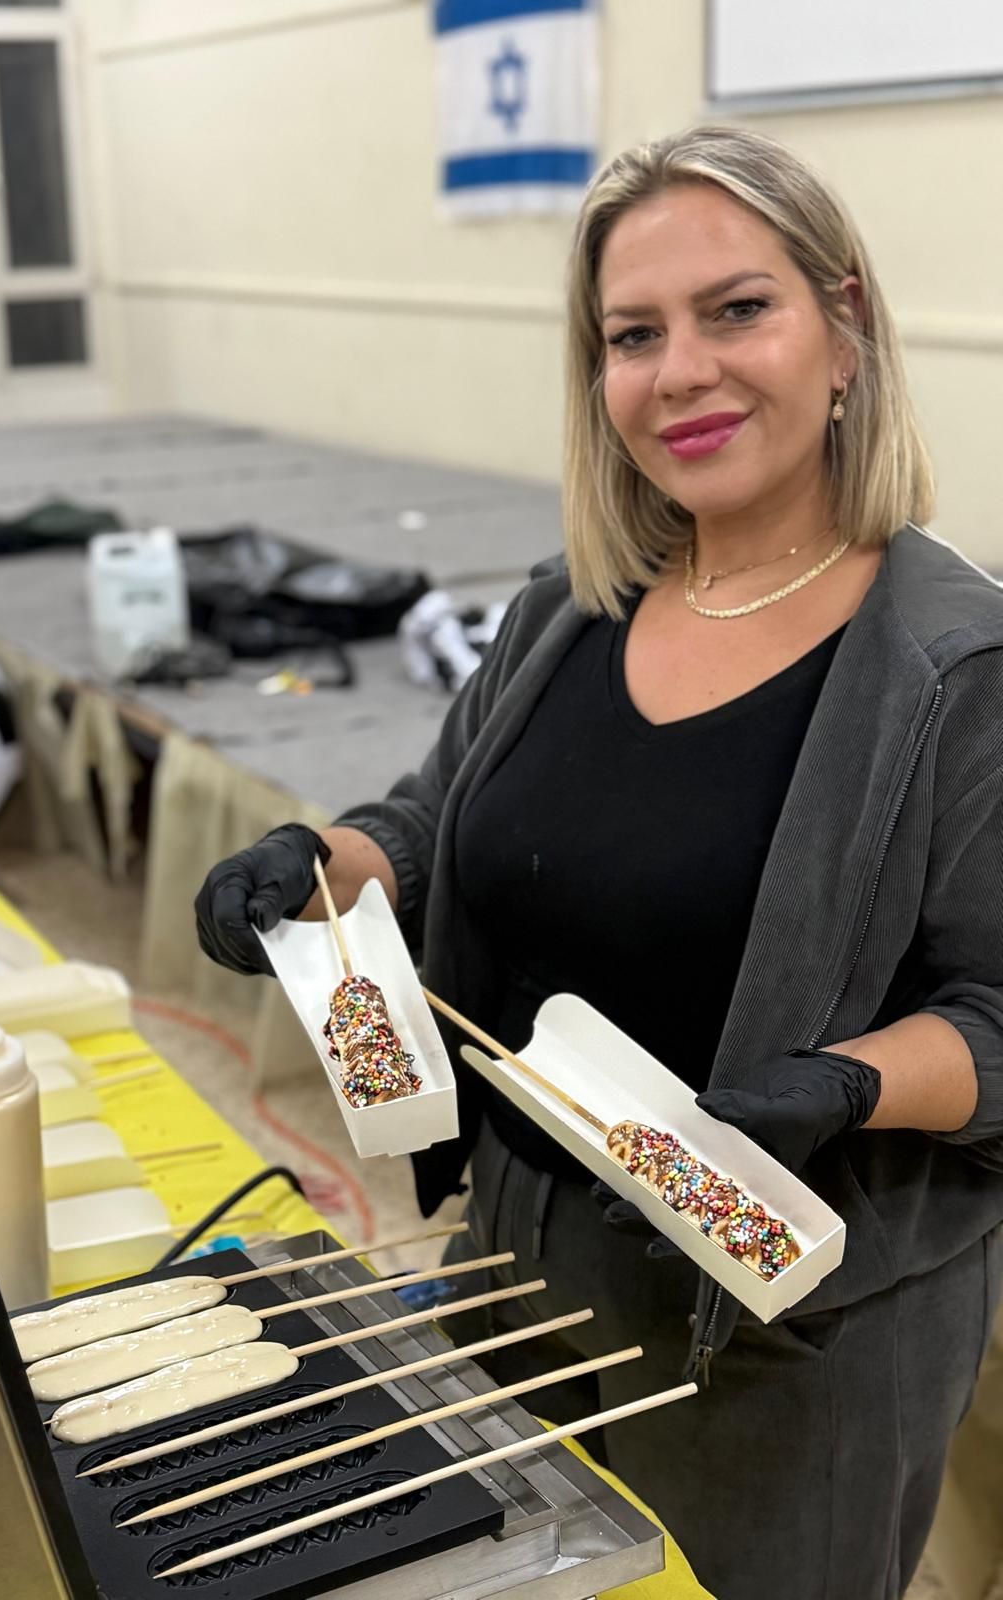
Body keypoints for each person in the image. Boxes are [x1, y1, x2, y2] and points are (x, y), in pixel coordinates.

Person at [193, 126, 1003, 1600]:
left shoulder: (954, 669)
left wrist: (844, 1084)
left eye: (737, 310)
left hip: (779, 1338)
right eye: (634, 335)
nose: (681, 371)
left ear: (845, 332)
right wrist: (318, 862)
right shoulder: (568, 610)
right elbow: (432, 823)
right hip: (510, 1260)